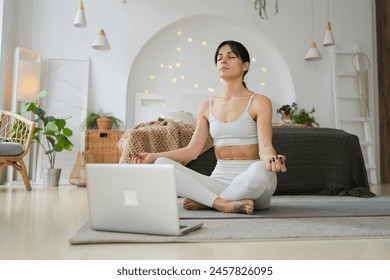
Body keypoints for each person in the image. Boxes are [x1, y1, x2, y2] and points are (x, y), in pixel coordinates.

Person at [129, 40, 287, 215]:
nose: (223, 61)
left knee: (261, 171)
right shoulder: (207, 105)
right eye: (219, 58)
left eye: (231, 56)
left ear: (245, 66)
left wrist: (271, 158)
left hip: (252, 183)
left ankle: (208, 201)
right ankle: (223, 203)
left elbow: (265, 147)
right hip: (218, 181)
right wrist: (153, 156)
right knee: (161, 165)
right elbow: (192, 151)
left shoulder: (259, 101)